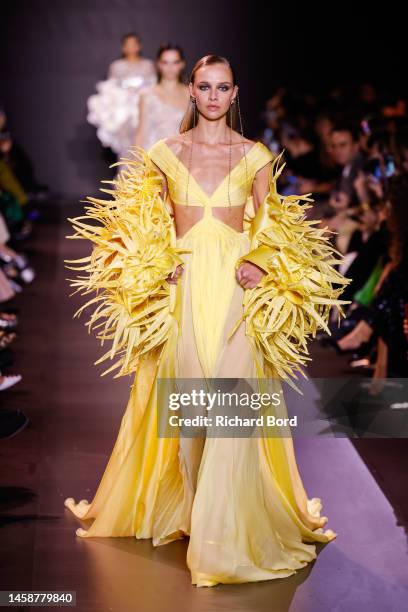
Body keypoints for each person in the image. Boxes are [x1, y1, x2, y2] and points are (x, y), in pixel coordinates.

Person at [64, 55, 351, 587]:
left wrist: (259, 262)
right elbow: (138, 222)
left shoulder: (254, 155)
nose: (214, 96)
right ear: (191, 93)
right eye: (205, 87)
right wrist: (157, 260)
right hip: (186, 287)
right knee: (193, 402)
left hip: (238, 291)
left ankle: (226, 535)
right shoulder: (165, 153)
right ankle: (198, 513)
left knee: (232, 405)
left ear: (234, 92)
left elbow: (277, 226)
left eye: (223, 87)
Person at [87, 32, 157, 160]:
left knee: (146, 144)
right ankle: (125, 176)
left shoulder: (148, 65)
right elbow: (109, 90)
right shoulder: (116, 66)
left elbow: (154, 87)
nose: (131, 47)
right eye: (128, 44)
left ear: (139, 46)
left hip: (144, 110)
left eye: (134, 44)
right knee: (125, 147)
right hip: (123, 112)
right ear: (123, 47)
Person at [134, 43, 189, 151]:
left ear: (182, 64)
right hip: (155, 159)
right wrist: (136, 163)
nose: (170, 67)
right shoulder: (147, 94)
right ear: (158, 64)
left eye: (175, 62)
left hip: (182, 159)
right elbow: (141, 132)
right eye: (165, 62)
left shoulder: (191, 94)